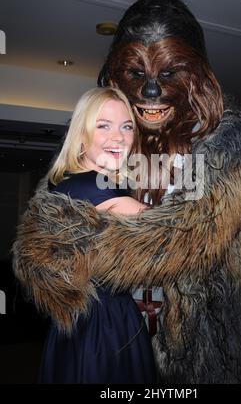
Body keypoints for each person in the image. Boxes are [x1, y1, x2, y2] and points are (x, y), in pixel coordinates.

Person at [13, 0, 241, 384]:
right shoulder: (107, 143)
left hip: (197, 333)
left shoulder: (224, 137)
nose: (150, 93)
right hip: (115, 327)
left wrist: (220, 220)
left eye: (167, 74)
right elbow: (40, 248)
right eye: (137, 75)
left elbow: (186, 240)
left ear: (195, 74)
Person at [35, 87, 156, 383]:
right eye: (103, 125)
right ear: (81, 136)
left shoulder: (69, 183)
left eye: (126, 127)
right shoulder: (91, 186)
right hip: (103, 330)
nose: (119, 137)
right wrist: (224, 211)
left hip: (84, 324)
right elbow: (175, 231)